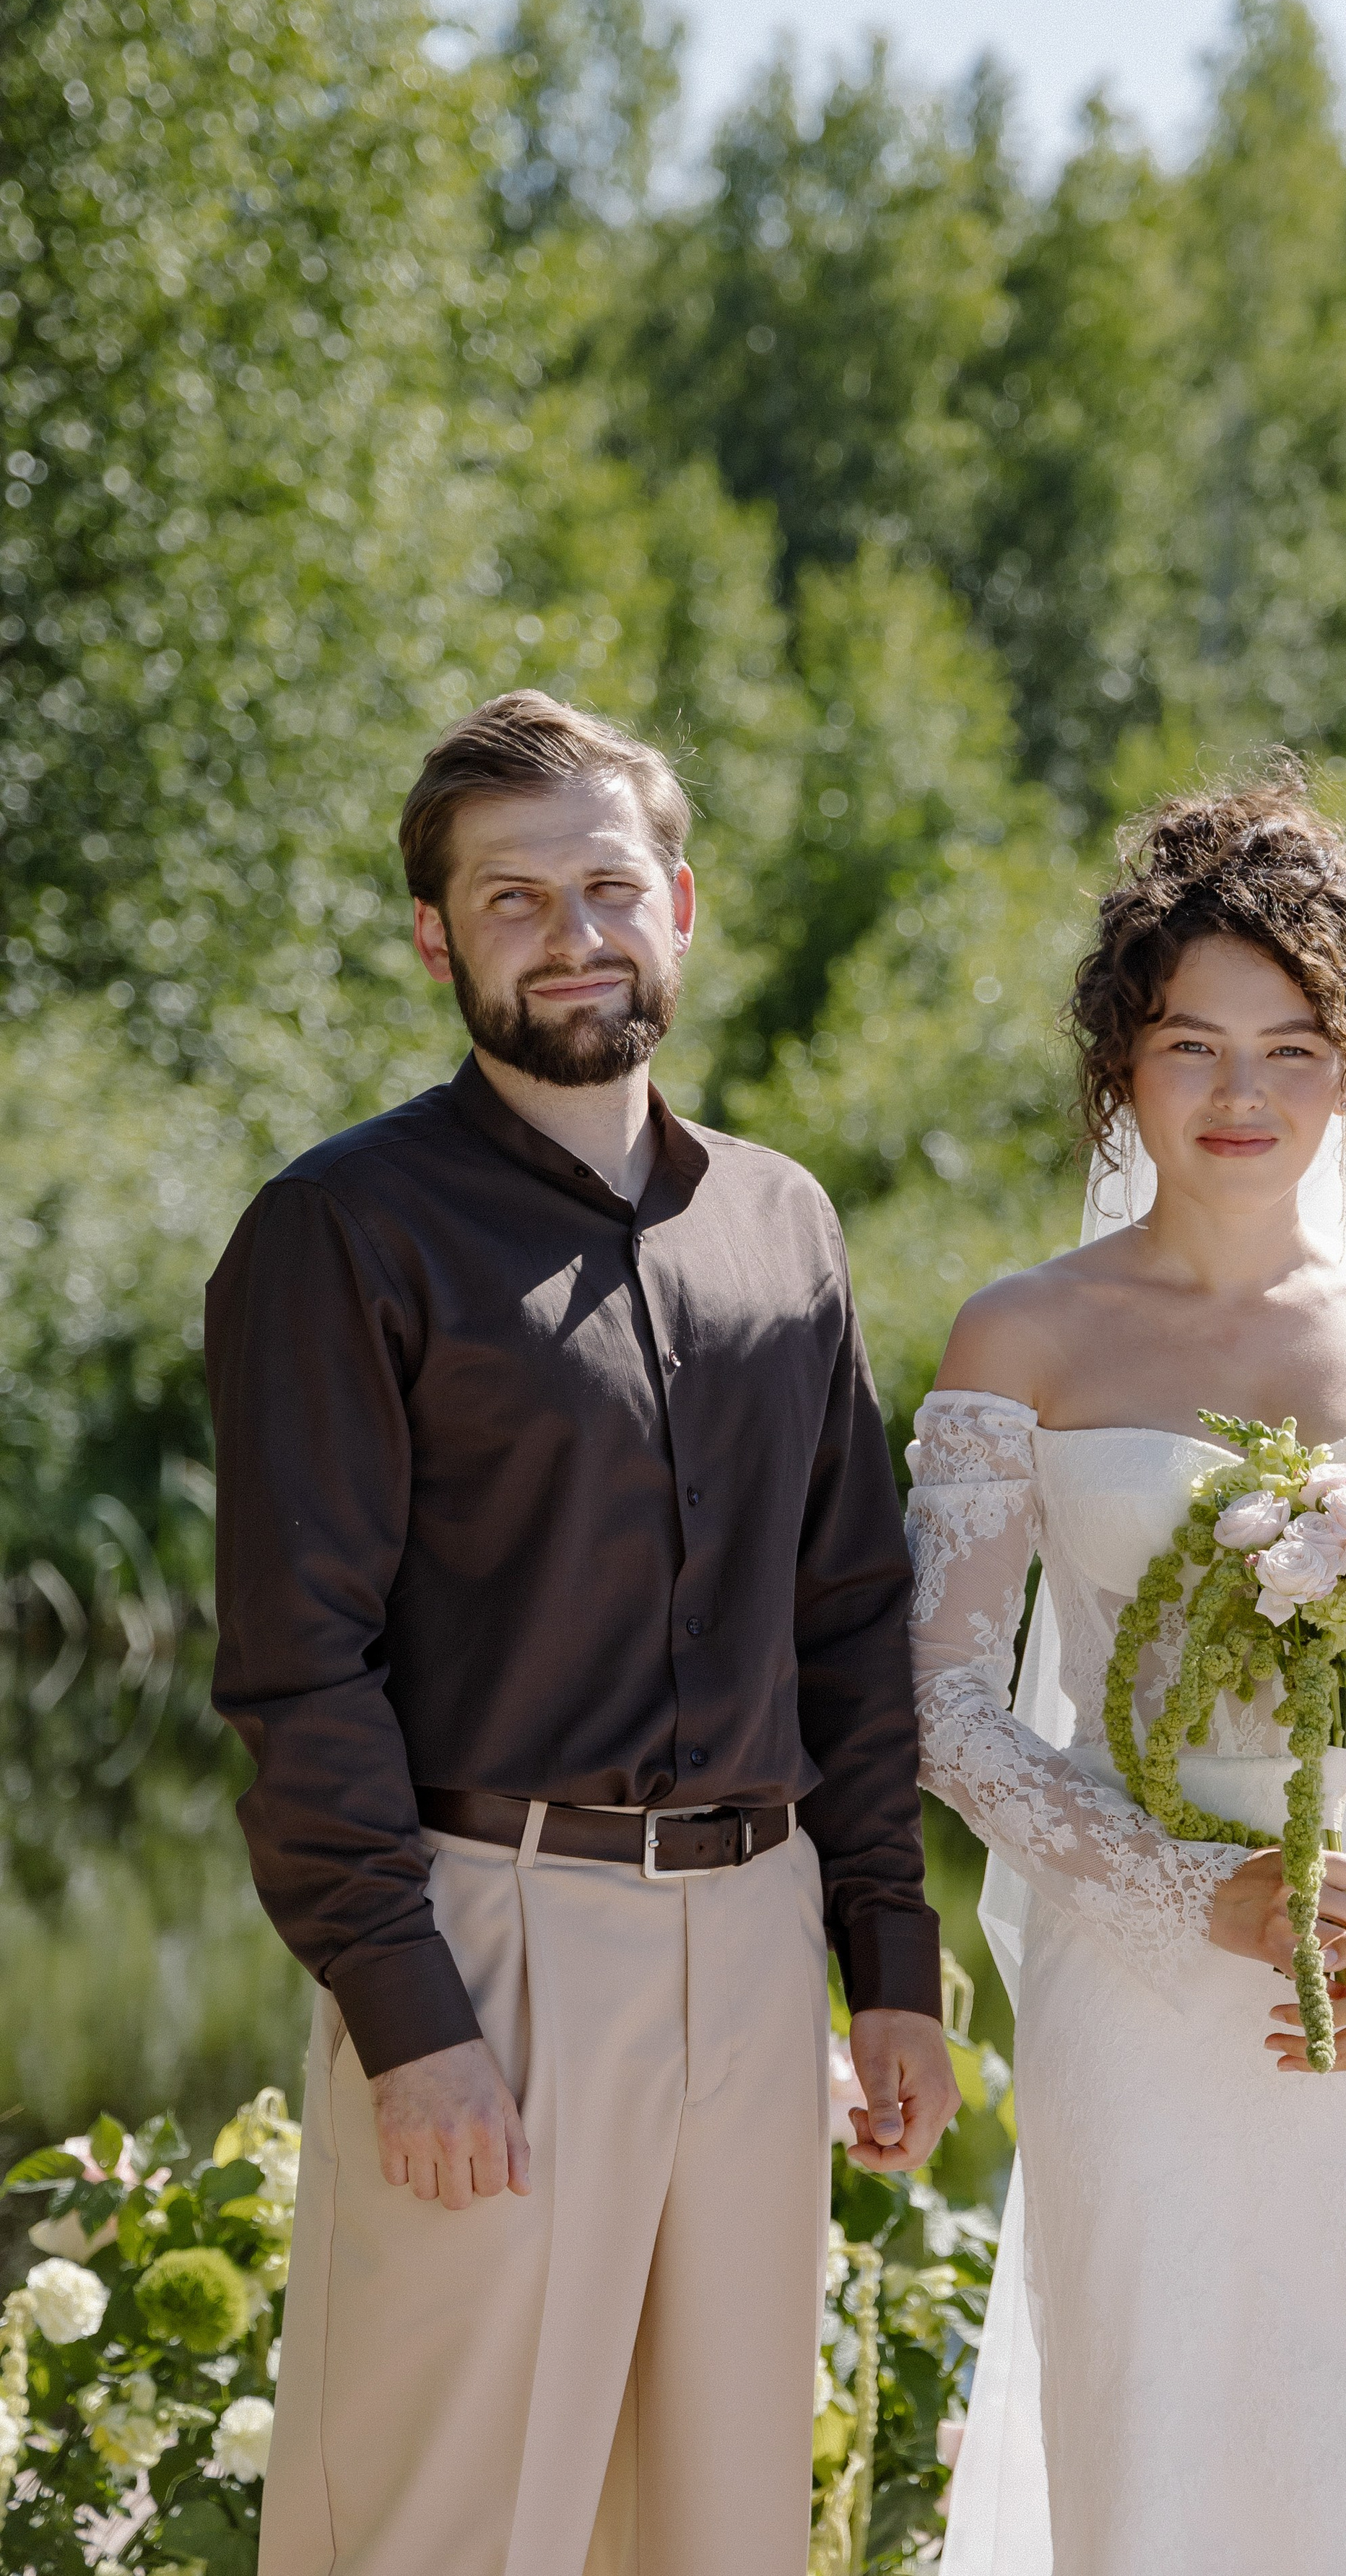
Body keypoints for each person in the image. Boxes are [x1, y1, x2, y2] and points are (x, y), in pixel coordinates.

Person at [206, 691, 960, 2576]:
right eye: (514, 898)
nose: (574, 935)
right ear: (435, 937)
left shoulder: (782, 1223)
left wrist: (888, 1960)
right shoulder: (342, 1232)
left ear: (678, 906)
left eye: (608, 886)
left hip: (761, 1941)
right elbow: (300, 1668)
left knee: (717, 2529)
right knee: (441, 2531)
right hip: (494, 1938)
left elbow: (849, 1615)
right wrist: (411, 2022)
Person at [908, 768, 1346, 2575]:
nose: (1240, 1095)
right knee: (1162, 2450)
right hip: (1142, 1986)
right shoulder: (1024, 1331)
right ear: (1119, 1067)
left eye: (1291, 1049)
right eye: (1190, 1046)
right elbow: (940, 1700)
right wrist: (1179, 1889)